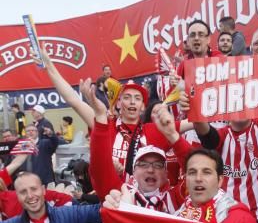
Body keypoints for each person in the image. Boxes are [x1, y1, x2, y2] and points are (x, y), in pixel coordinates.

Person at [189, 26, 258, 223]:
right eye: (235, 100)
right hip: (231, 218)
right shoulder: (222, 136)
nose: (240, 106)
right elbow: (205, 135)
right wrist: (193, 104)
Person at [31, 45, 177, 178]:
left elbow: (194, 125)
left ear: (143, 106)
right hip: (111, 201)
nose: (132, 101)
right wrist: (49, 66)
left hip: (145, 204)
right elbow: (73, 100)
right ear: (118, 102)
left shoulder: (155, 129)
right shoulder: (105, 123)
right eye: (127, 97)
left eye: (137, 98)